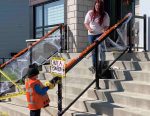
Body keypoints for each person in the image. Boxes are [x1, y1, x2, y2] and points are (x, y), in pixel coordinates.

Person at [84, 0, 110, 73]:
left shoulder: (105, 15)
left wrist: (104, 30)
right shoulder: (90, 13)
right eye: (96, 6)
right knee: (94, 51)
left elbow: (107, 25)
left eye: (99, 6)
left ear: (101, 7)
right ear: (94, 6)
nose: (97, 7)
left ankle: (102, 64)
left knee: (101, 49)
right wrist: (89, 29)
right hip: (91, 35)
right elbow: (86, 23)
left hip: (100, 34)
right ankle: (95, 66)